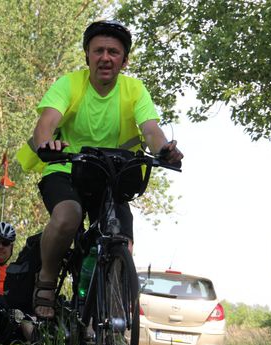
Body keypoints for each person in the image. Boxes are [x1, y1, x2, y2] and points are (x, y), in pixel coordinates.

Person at [16, 20, 184, 318]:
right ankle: (46, 280)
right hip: (66, 169)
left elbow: (150, 130)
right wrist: (47, 145)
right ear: (87, 56)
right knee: (68, 216)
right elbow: (46, 125)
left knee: (123, 241)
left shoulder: (134, 90)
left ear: (124, 60)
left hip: (111, 176)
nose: (105, 57)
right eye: (98, 51)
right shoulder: (69, 84)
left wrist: (164, 150)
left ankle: (104, 308)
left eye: (114, 52)